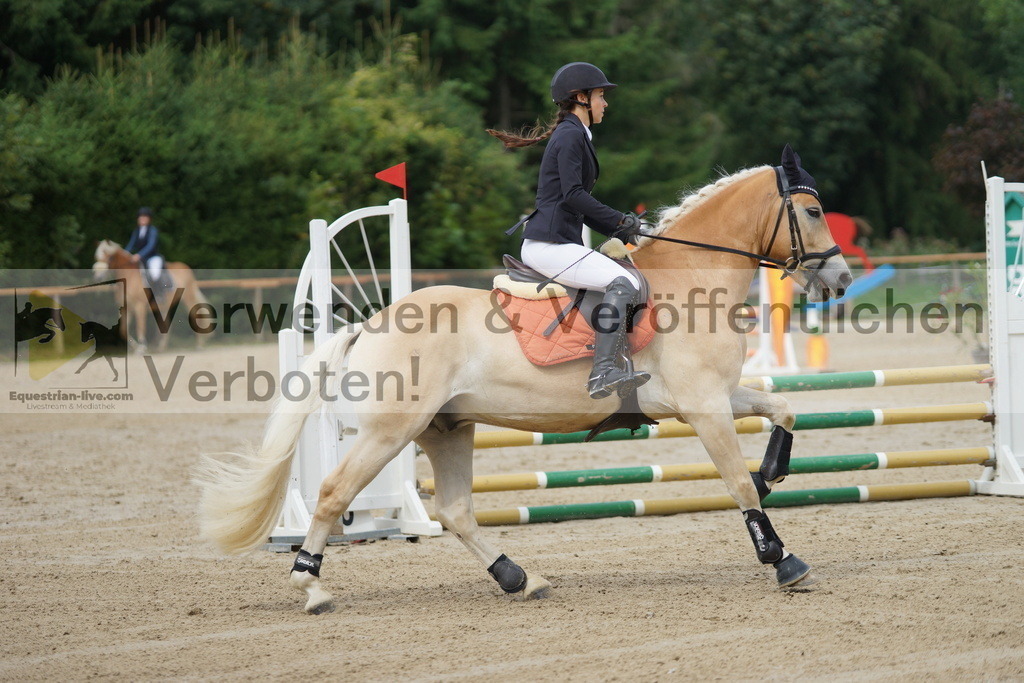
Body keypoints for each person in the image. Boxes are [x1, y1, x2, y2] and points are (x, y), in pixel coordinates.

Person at [487, 62, 649, 399]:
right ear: (581, 98)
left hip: (557, 240)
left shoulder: (576, 135)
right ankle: (603, 372)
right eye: (601, 95)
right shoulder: (571, 135)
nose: (605, 103)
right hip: (549, 244)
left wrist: (621, 229)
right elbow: (573, 195)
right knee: (625, 282)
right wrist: (618, 220)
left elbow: (576, 203)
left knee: (622, 277)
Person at [126, 207, 164, 284]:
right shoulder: (136, 231)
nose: (142, 218)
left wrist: (139, 255)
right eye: (140, 216)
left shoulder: (153, 230)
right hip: (140, 259)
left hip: (152, 258)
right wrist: (124, 254)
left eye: (145, 216)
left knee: (154, 274)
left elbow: (151, 245)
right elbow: (131, 245)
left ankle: (160, 291)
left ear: (149, 219)